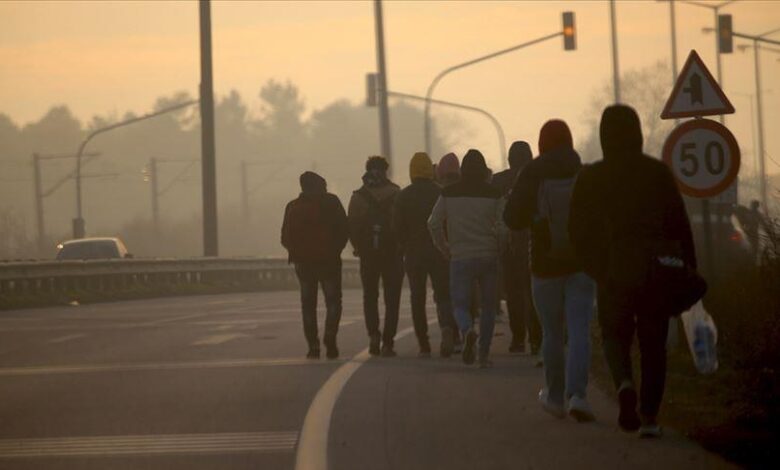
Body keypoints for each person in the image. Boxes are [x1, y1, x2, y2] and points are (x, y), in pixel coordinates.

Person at [569, 105, 697, 437]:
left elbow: (577, 231)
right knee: (654, 342)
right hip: (656, 270)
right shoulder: (657, 173)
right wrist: (688, 268)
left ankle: (625, 384)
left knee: (614, 334)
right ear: (638, 133)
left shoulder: (592, 177)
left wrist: (596, 267)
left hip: (614, 270)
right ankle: (650, 416)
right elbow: (680, 225)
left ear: (603, 136)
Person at [504, 120, 596, 422]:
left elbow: (511, 218)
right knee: (579, 328)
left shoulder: (532, 172)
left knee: (552, 332)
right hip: (581, 263)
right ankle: (578, 396)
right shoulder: (581, 170)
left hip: (544, 264)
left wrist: (534, 220)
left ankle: (555, 397)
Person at [428, 149, 503, 368]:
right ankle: (483, 355)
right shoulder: (495, 193)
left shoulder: (449, 193)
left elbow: (433, 223)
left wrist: (444, 247)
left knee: (459, 304)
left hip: (460, 257)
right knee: (489, 307)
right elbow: (503, 227)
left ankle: (467, 329)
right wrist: (500, 248)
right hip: (489, 256)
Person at [393, 152, 456, 357]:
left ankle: (423, 342)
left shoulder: (403, 196)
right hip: (439, 252)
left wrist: (404, 245)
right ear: (431, 170)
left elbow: (397, 228)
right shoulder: (441, 192)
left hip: (414, 254)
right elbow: (448, 223)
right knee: (443, 294)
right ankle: (447, 328)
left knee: (417, 297)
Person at [281, 171, 349, 359]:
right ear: (321, 185)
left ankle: (313, 346)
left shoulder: (293, 206)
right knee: (333, 301)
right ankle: (330, 338)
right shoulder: (332, 202)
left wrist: (297, 253)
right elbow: (344, 229)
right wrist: (335, 250)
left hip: (303, 265)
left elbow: (284, 237)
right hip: (329, 262)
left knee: (308, 304)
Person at [348, 156, 403, 357]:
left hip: (368, 255)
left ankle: (373, 335)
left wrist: (358, 247)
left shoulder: (358, 197)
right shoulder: (397, 194)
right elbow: (402, 224)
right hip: (392, 255)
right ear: (386, 170)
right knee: (392, 299)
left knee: (370, 296)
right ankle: (388, 342)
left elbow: (351, 226)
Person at [492, 141, 542, 355]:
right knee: (533, 293)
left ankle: (518, 339)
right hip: (534, 242)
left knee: (513, 293)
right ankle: (537, 339)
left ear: (509, 159)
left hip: (508, 244)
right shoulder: (537, 177)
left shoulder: (498, 181)